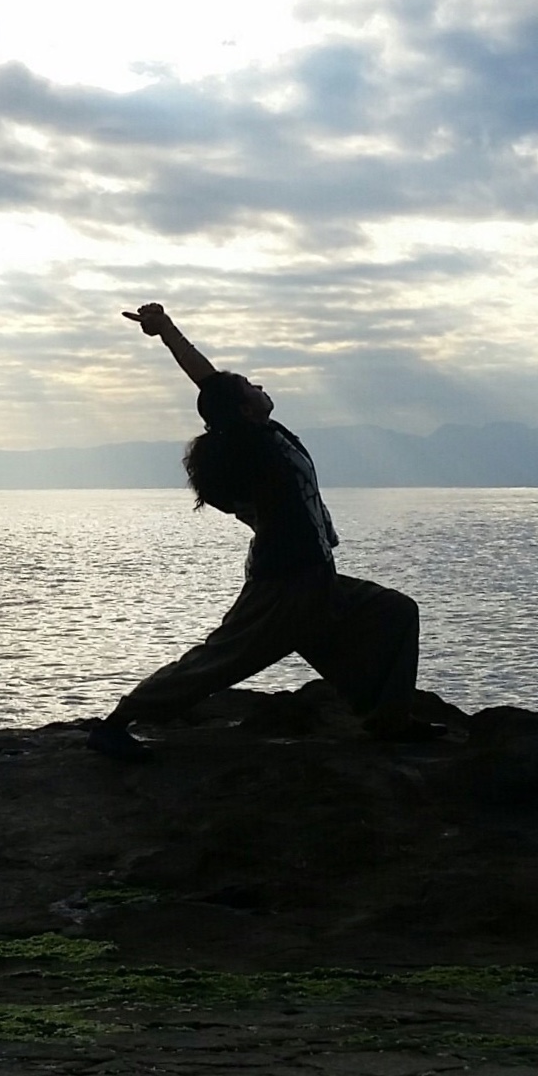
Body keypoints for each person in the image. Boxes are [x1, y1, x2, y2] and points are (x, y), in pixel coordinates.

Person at [87, 303, 433, 762]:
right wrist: (168, 332)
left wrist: (167, 330)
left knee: (394, 612)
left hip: (315, 579)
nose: (260, 386)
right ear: (245, 410)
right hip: (286, 585)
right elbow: (212, 386)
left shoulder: (267, 434)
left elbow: (212, 385)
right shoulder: (253, 448)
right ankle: (117, 723)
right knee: (219, 661)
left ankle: (388, 718)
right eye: (251, 387)